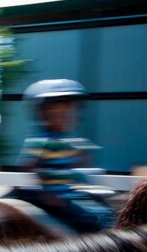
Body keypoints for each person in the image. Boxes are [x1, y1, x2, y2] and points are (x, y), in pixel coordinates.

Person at [13, 78, 115, 233]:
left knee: (106, 211)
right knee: (95, 221)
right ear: (44, 116)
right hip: (55, 197)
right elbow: (28, 164)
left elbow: (70, 165)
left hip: (67, 193)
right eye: (61, 114)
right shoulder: (42, 140)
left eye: (70, 114)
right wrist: (45, 192)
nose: (68, 118)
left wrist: (80, 158)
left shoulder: (62, 141)